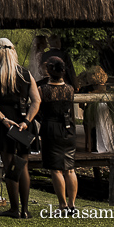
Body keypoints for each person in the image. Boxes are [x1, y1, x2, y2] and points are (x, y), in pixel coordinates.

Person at [0, 37, 41, 219]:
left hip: (4, 124)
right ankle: (24, 209)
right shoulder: (26, 74)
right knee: (22, 165)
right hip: (23, 122)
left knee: (9, 165)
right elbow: (36, 100)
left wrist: (3, 119)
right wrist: (27, 121)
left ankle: (15, 208)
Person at [38, 57, 78, 215]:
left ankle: (62, 205)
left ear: (49, 70)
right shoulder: (70, 89)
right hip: (68, 128)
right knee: (70, 168)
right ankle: (72, 205)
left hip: (51, 127)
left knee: (56, 169)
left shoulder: (43, 89)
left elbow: (37, 107)